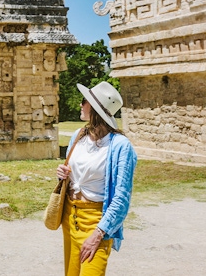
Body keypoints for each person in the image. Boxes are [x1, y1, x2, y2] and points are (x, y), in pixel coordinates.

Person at [56, 81, 137, 276]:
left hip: (96, 223)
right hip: (70, 216)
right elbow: (73, 174)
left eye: (84, 101)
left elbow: (121, 198)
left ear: (95, 108)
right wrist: (63, 174)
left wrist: (99, 233)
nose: (80, 105)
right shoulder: (79, 135)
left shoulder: (120, 146)